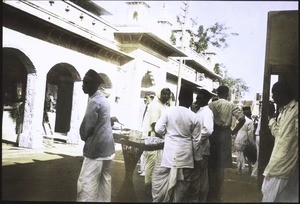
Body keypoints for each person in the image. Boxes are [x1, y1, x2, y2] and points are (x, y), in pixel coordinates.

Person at [152, 86, 201, 202]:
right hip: (186, 156)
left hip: (169, 154)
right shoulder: (194, 117)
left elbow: (158, 129)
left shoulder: (168, 111)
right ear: (190, 101)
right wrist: (198, 158)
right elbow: (196, 141)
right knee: (182, 186)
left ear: (178, 98)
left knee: (161, 181)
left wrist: (167, 135)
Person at [77, 69, 115, 202]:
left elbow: (87, 127)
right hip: (108, 149)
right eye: (83, 82)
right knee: (104, 182)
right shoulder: (102, 99)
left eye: (87, 83)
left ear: (94, 85)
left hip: (97, 150)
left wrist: (83, 135)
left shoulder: (94, 101)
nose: (83, 86)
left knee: (87, 183)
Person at [207, 85, 246, 202]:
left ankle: (211, 193)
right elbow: (242, 119)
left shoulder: (211, 105)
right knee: (221, 167)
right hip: (225, 135)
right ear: (228, 94)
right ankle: (217, 193)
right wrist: (234, 131)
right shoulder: (231, 105)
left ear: (217, 93)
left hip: (213, 134)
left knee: (211, 164)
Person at [261, 81, 298, 202]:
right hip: (276, 161)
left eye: (274, 94)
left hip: (285, 163)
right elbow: (278, 134)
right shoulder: (283, 112)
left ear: (283, 94)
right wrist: (271, 117)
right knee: (268, 193)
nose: (272, 98)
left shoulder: (296, 110)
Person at [143, 88, 171, 196]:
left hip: (160, 138)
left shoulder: (165, 106)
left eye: (168, 94)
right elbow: (154, 125)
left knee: (157, 165)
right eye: (164, 94)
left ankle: (153, 187)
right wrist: (165, 137)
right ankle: (147, 186)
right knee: (152, 163)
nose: (166, 96)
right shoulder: (155, 105)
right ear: (160, 94)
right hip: (153, 136)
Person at [188, 88, 214, 202]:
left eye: (198, 98)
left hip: (202, 150)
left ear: (205, 99)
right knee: (199, 178)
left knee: (199, 179)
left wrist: (196, 140)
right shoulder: (200, 111)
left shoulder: (207, 112)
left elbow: (208, 130)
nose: (196, 100)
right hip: (198, 148)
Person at [234, 106, 255, 175]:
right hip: (245, 139)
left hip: (238, 139)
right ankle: (249, 169)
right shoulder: (250, 121)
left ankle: (240, 170)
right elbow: (250, 133)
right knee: (248, 154)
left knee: (239, 154)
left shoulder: (239, 120)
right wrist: (252, 142)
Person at [138, 93, 154, 176]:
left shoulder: (152, 107)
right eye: (144, 98)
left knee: (146, 153)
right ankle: (142, 169)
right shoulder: (145, 107)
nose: (145, 99)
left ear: (151, 98)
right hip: (143, 131)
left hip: (148, 133)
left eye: (146, 98)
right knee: (142, 152)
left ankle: (145, 171)